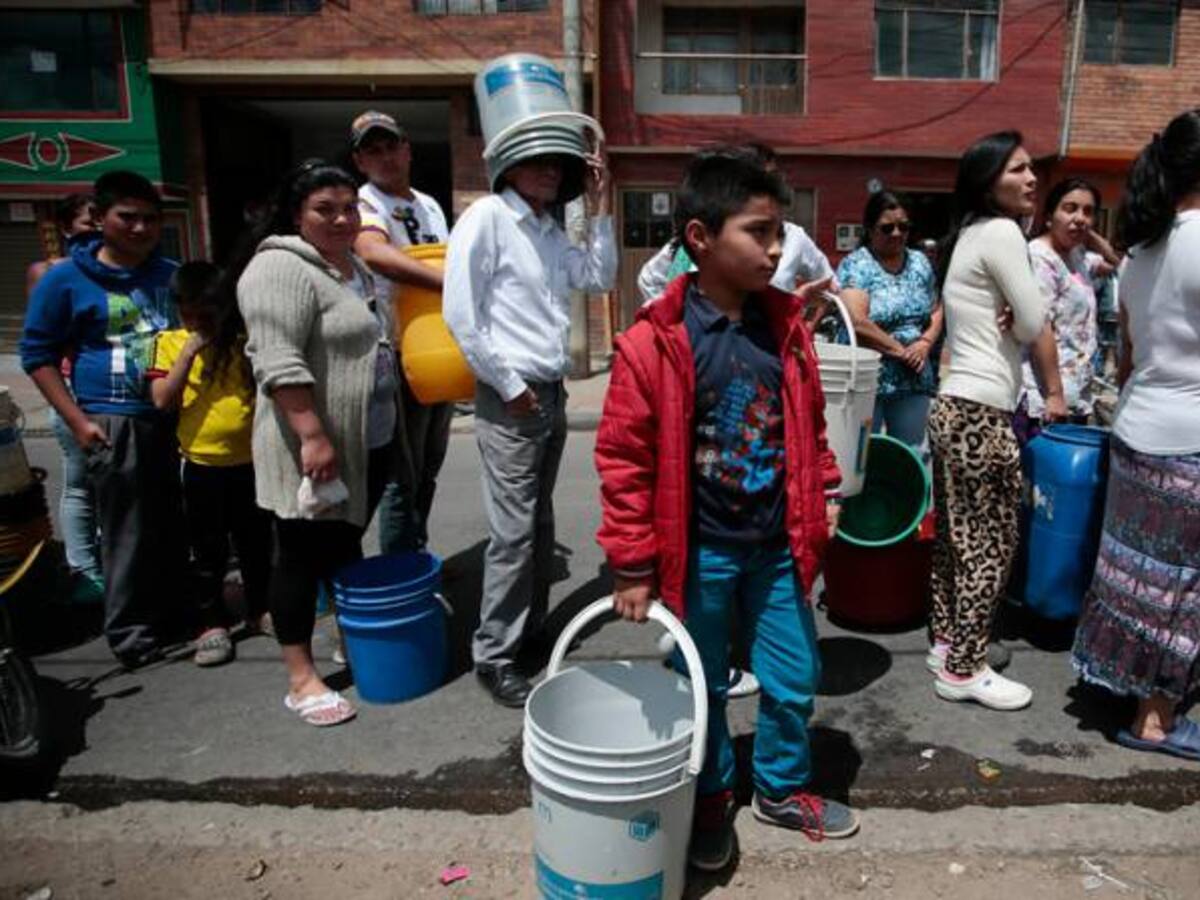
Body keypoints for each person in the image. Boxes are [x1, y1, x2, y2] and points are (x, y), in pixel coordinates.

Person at [597, 149, 857, 872]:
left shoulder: (786, 330)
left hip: (777, 546)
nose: (777, 249)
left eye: (780, 233)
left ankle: (778, 787)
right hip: (699, 550)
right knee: (702, 683)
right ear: (699, 238)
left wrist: (826, 494)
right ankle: (710, 798)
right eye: (760, 232)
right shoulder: (655, 344)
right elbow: (624, 461)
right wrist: (632, 564)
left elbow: (806, 427)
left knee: (794, 673)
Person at [443, 147, 616, 708]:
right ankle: (494, 655)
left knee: (539, 522)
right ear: (510, 166)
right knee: (514, 533)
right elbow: (460, 315)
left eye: (559, 167)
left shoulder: (547, 228)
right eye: (539, 161)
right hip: (510, 393)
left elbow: (600, 275)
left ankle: (529, 631)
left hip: (548, 391)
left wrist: (601, 205)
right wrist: (509, 386)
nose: (551, 172)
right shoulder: (487, 218)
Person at [237, 160, 400, 726]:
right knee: (299, 559)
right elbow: (277, 358)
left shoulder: (347, 266)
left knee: (343, 550)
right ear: (295, 213)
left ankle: (347, 640)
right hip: (313, 446)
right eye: (324, 209)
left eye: (349, 207)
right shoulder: (281, 268)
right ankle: (301, 678)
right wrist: (311, 434)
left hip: (363, 444)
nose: (341, 218)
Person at [1071, 109, 1200, 761]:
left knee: (1138, 574)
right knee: (1182, 583)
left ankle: (1128, 687)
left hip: (1138, 427)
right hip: (1189, 441)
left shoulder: (1144, 250)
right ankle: (1156, 718)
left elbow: (1128, 355)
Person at [21, 171, 185, 668]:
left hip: (169, 417)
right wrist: (77, 420)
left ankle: (172, 616)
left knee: (168, 524)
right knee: (126, 531)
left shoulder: (169, 274)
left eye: (150, 219)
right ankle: (130, 633)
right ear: (100, 217)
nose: (140, 228)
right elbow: (37, 354)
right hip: (111, 418)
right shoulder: (66, 279)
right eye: (127, 217)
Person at [927, 131, 1046, 710]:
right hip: (980, 410)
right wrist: (1020, 307)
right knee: (990, 543)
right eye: (1017, 170)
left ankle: (948, 642)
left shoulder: (970, 236)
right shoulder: (1002, 233)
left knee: (956, 538)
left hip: (951, 404)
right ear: (987, 181)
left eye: (1031, 169)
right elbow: (1030, 324)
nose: (1031, 179)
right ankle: (965, 668)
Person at [148, 261, 273, 667]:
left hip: (249, 462)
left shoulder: (241, 341)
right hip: (201, 464)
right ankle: (212, 623)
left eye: (209, 313)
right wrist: (189, 349)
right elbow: (163, 399)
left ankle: (259, 610)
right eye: (191, 314)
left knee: (256, 542)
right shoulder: (167, 342)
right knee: (208, 550)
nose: (201, 322)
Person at [350, 110, 452, 554]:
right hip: (396, 348)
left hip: (439, 343)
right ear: (360, 161)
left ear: (407, 150)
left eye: (391, 146)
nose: (385, 156)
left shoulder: (427, 204)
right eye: (373, 150)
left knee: (429, 465)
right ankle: (400, 567)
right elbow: (374, 253)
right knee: (400, 476)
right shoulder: (363, 204)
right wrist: (450, 284)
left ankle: (416, 550)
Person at [636, 143, 835, 304]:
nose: (775, 251)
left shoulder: (795, 238)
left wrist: (798, 318)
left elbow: (829, 285)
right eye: (756, 232)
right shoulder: (689, 248)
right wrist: (669, 316)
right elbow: (650, 278)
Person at [25, 194, 103, 605]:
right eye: (91, 221)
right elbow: (39, 348)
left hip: (120, 396)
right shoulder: (52, 273)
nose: (100, 228)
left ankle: (110, 559)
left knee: (116, 488)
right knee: (79, 484)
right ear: (66, 228)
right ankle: (84, 568)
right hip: (75, 391)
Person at [1015, 177, 1121, 443]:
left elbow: (1117, 261)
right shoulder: (1040, 257)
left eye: (1088, 211)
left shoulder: (1078, 256)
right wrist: (1054, 395)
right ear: (1050, 216)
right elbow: (1041, 326)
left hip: (1075, 392)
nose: (1080, 217)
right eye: (1070, 208)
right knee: (1040, 479)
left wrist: (1085, 231)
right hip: (1044, 398)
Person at [837, 190, 942, 448]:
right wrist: (902, 351)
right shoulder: (858, 265)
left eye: (903, 227)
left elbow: (938, 308)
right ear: (870, 229)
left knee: (911, 455)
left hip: (913, 379)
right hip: (868, 380)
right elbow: (857, 321)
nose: (896, 234)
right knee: (862, 456)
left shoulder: (919, 262)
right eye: (887, 228)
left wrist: (925, 343)